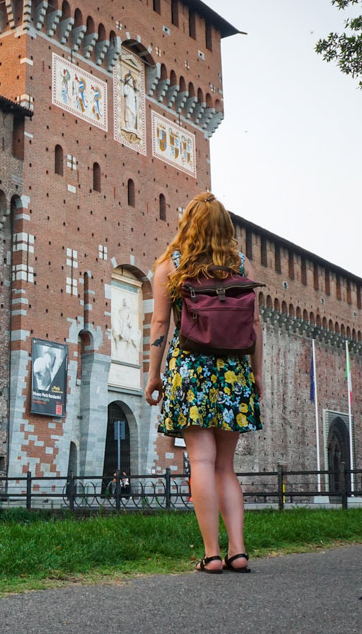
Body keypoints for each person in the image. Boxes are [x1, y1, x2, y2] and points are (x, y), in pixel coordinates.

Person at [146, 192, 263, 574]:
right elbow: (255, 327)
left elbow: (161, 325)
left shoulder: (171, 265)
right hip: (233, 372)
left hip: (190, 371)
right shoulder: (241, 266)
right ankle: (239, 551)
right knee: (225, 467)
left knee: (200, 460)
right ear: (225, 228)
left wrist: (153, 374)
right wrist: (257, 374)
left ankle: (212, 554)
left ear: (188, 224)